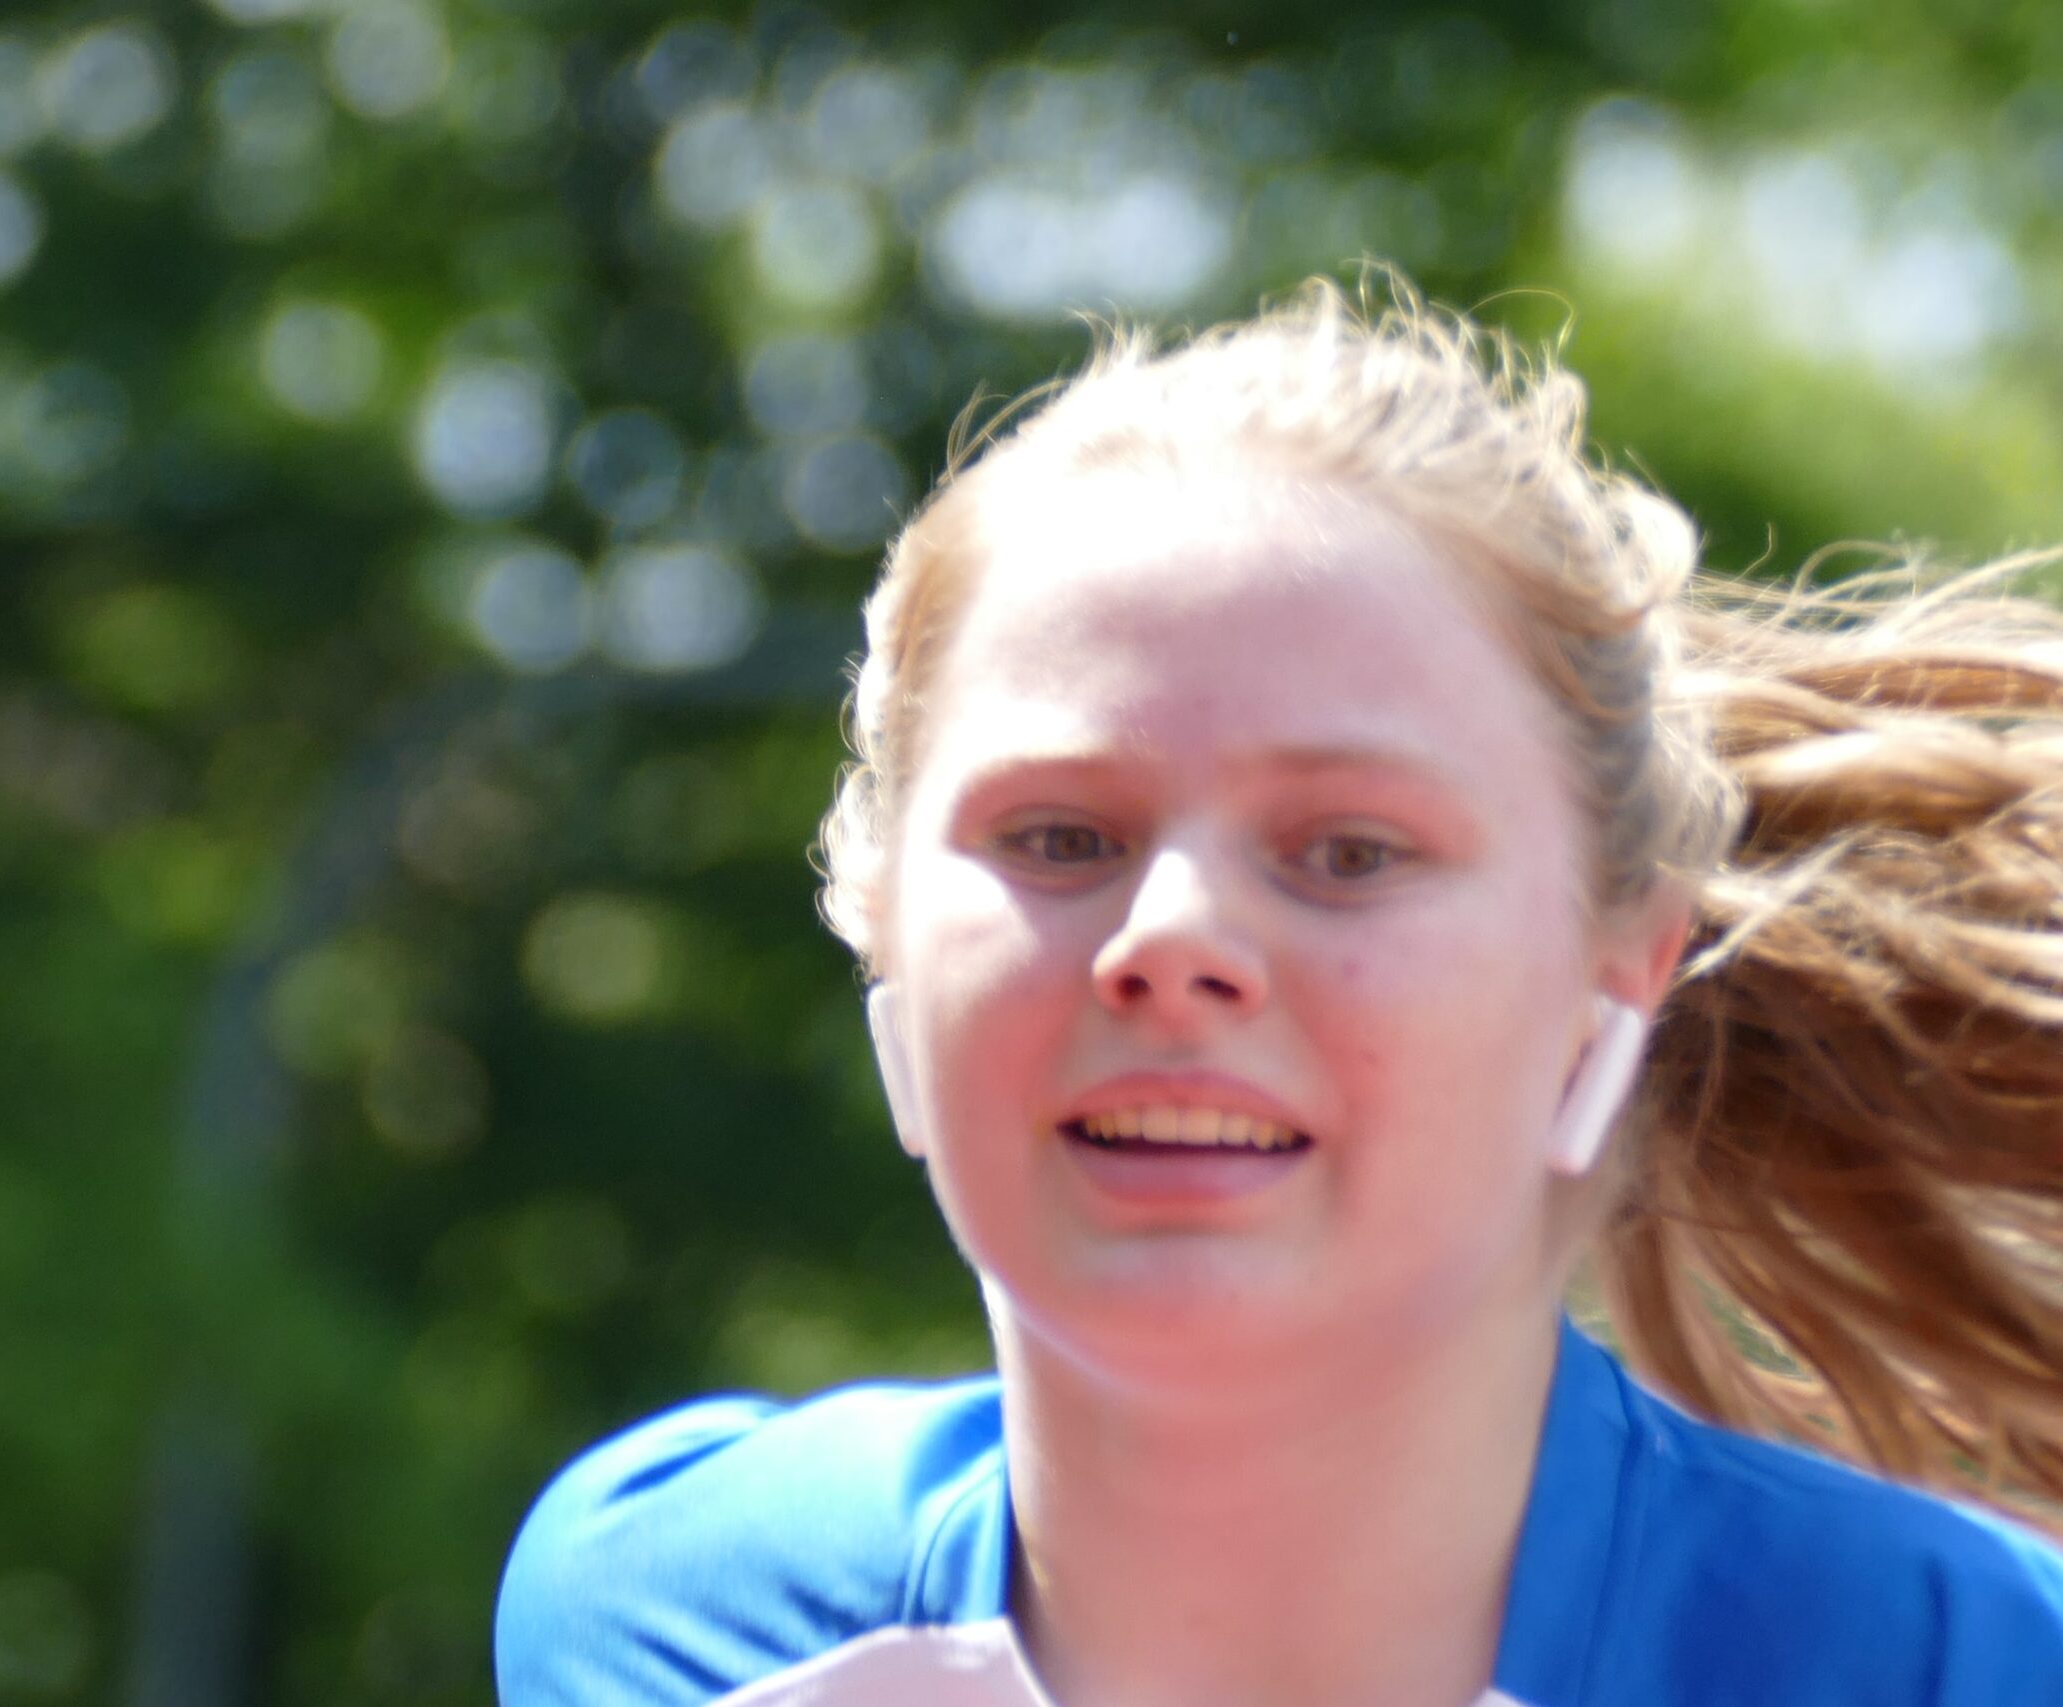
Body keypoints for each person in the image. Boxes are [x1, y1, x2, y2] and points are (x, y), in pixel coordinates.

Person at [492, 274, 2063, 1705]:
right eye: (1060, 837)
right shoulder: (663, 1624)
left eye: (1349, 852)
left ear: (1617, 976)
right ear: (885, 936)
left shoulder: (1957, 1667)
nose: (1171, 939)